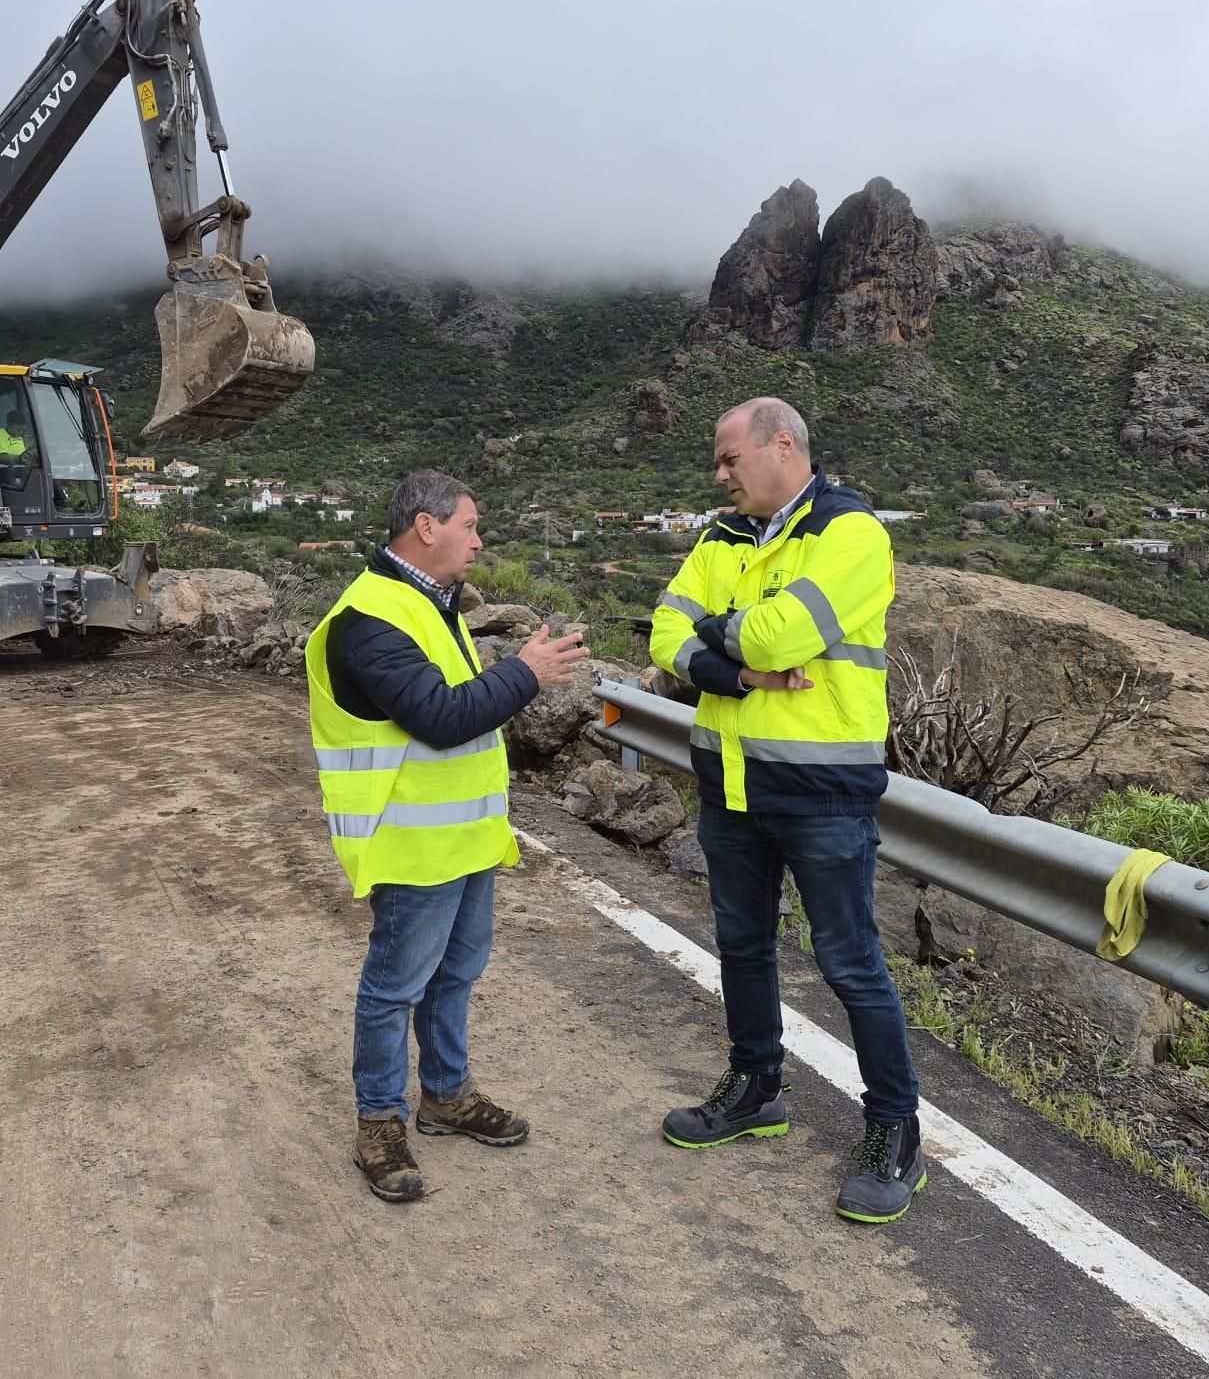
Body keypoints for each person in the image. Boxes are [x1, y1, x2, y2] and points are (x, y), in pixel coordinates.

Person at [648, 397, 925, 1224]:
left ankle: (895, 1131)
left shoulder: (852, 532)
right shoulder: (721, 538)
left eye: (730, 459)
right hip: (731, 782)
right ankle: (756, 1085)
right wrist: (735, 669)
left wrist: (724, 634)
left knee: (849, 963)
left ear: (782, 446)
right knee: (741, 942)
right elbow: (664, 633)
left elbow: (780, 638)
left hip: (821, 793)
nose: (719, 474)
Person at [305, 470, 587, 1203]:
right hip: (410, 844)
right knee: (395, 986)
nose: (478, 539)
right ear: (426, 527)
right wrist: (526, 672)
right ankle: (380, 1122)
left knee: (455, 975)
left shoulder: (434, 604)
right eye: (469, 524)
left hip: (464, 839)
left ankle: (446, 1095)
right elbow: (441, 716)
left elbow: (460, 712)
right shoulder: (368, 617)